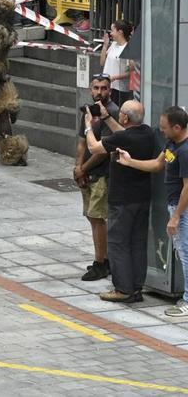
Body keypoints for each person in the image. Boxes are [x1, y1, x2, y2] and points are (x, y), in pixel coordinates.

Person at [115, 106, 188, 315]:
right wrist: (130, 162)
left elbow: (187, 188)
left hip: (182, 209)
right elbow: (157, 165)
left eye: (165, 128)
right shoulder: (172, 144)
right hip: (175, 207)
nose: (161, 131)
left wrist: (175, 217)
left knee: (185, 254)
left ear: (177, 127)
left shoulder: (185, 151)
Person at [85, 100, 158, 302]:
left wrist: (88, 126)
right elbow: (122, 135)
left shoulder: (123, 138)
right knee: (137, 243)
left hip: (122, 200)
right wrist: (108, 117)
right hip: (142, 198)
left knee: (117, 243)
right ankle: (135, 288)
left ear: (125, 117)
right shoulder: (148, 134)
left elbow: (93, 147)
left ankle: (122, 289)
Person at [75, 74, 118, 282]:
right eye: (96, 88)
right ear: (90, 89)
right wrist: (77, 168)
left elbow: (103, 151)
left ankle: (101, 264)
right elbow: (82, 142)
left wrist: (82, 168)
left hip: (103, 174)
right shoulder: (87, 111)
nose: (99, 92)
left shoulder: (113, 114)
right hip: (87, 173)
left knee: (98, 218)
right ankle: (104, 259)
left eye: (104, 88)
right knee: (92, 217)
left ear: (110, 90)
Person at [100, 19, 135, 106]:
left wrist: (115, 77)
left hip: (119, 89)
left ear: (120, 32)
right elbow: (102, 63)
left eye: (113, 31)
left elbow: (131, 72)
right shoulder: (113, 45)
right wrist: (105, 45)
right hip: (107, 86)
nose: (111, 33)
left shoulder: (128, 48)